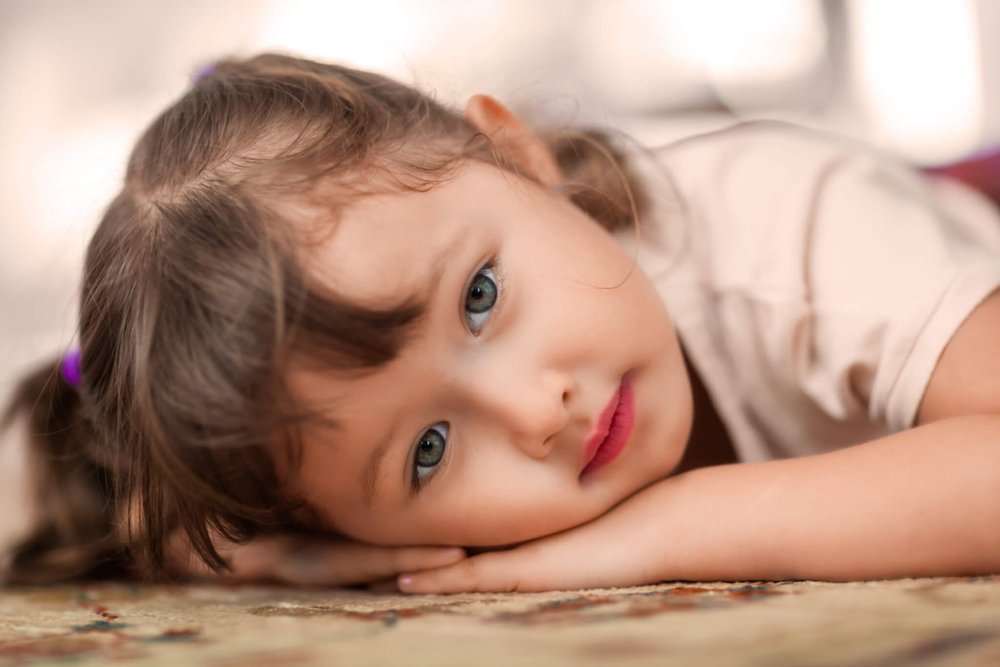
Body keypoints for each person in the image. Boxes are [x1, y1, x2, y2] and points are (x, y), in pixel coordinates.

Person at [3, 53, 1000, 592]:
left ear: (521, 157)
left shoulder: (794, 230)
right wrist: (287, 557)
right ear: (362, 527)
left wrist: (675, 528)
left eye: (480, 296)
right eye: (428, 451)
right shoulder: (350, 489)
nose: (537, 411)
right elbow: (116, 512)